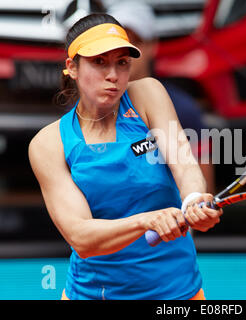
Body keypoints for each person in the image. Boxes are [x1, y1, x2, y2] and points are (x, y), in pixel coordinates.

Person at [28, 13, 223, 300]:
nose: (113, 75)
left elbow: (184, 166)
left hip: (179, 295)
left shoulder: (148, 93)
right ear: (72, 67)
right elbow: (81, 238)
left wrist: (194, 199)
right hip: (94, 295)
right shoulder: (48, 143)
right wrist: (147, 221)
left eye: (122, 63)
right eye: (99, 62)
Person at [108, 0, 216, 194]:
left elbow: (204, 193)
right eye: (117, 44)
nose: (125, 53)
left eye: (136, 42)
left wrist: (195, 205)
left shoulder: (184, 109)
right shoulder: (85, 111)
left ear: (153, 45)